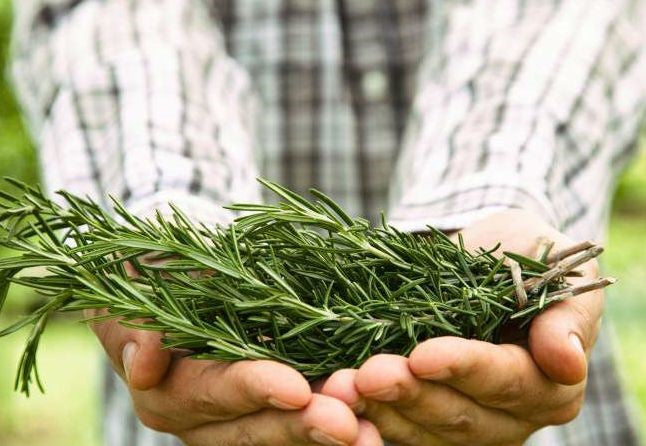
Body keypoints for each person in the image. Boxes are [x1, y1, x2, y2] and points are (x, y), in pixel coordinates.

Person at [9, 0, 645, 444]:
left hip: (514, 402)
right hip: (204, 403)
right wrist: (169, 213)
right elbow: (102, 13)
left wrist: (494, 191)